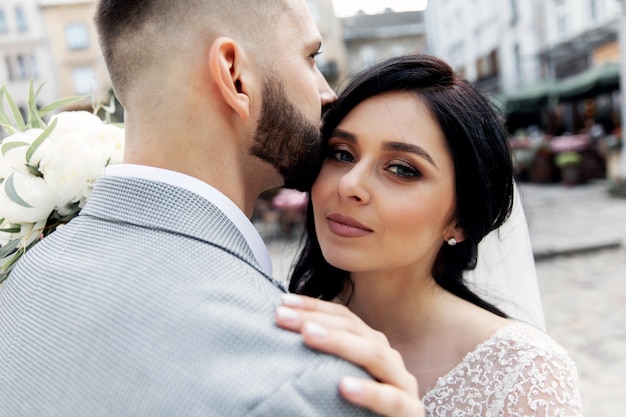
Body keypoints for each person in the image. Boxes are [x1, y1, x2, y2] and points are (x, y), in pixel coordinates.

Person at [0, 1, 385, 416]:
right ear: (235, 76)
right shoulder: (307, 384)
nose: (328, 93)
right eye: (311, 57)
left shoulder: (25, 280)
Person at [276, 54, 583, 416]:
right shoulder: (275, 326)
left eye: (402, 169)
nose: (349, 184)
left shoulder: (522, 375)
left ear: (460, 220)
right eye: (341, 153)